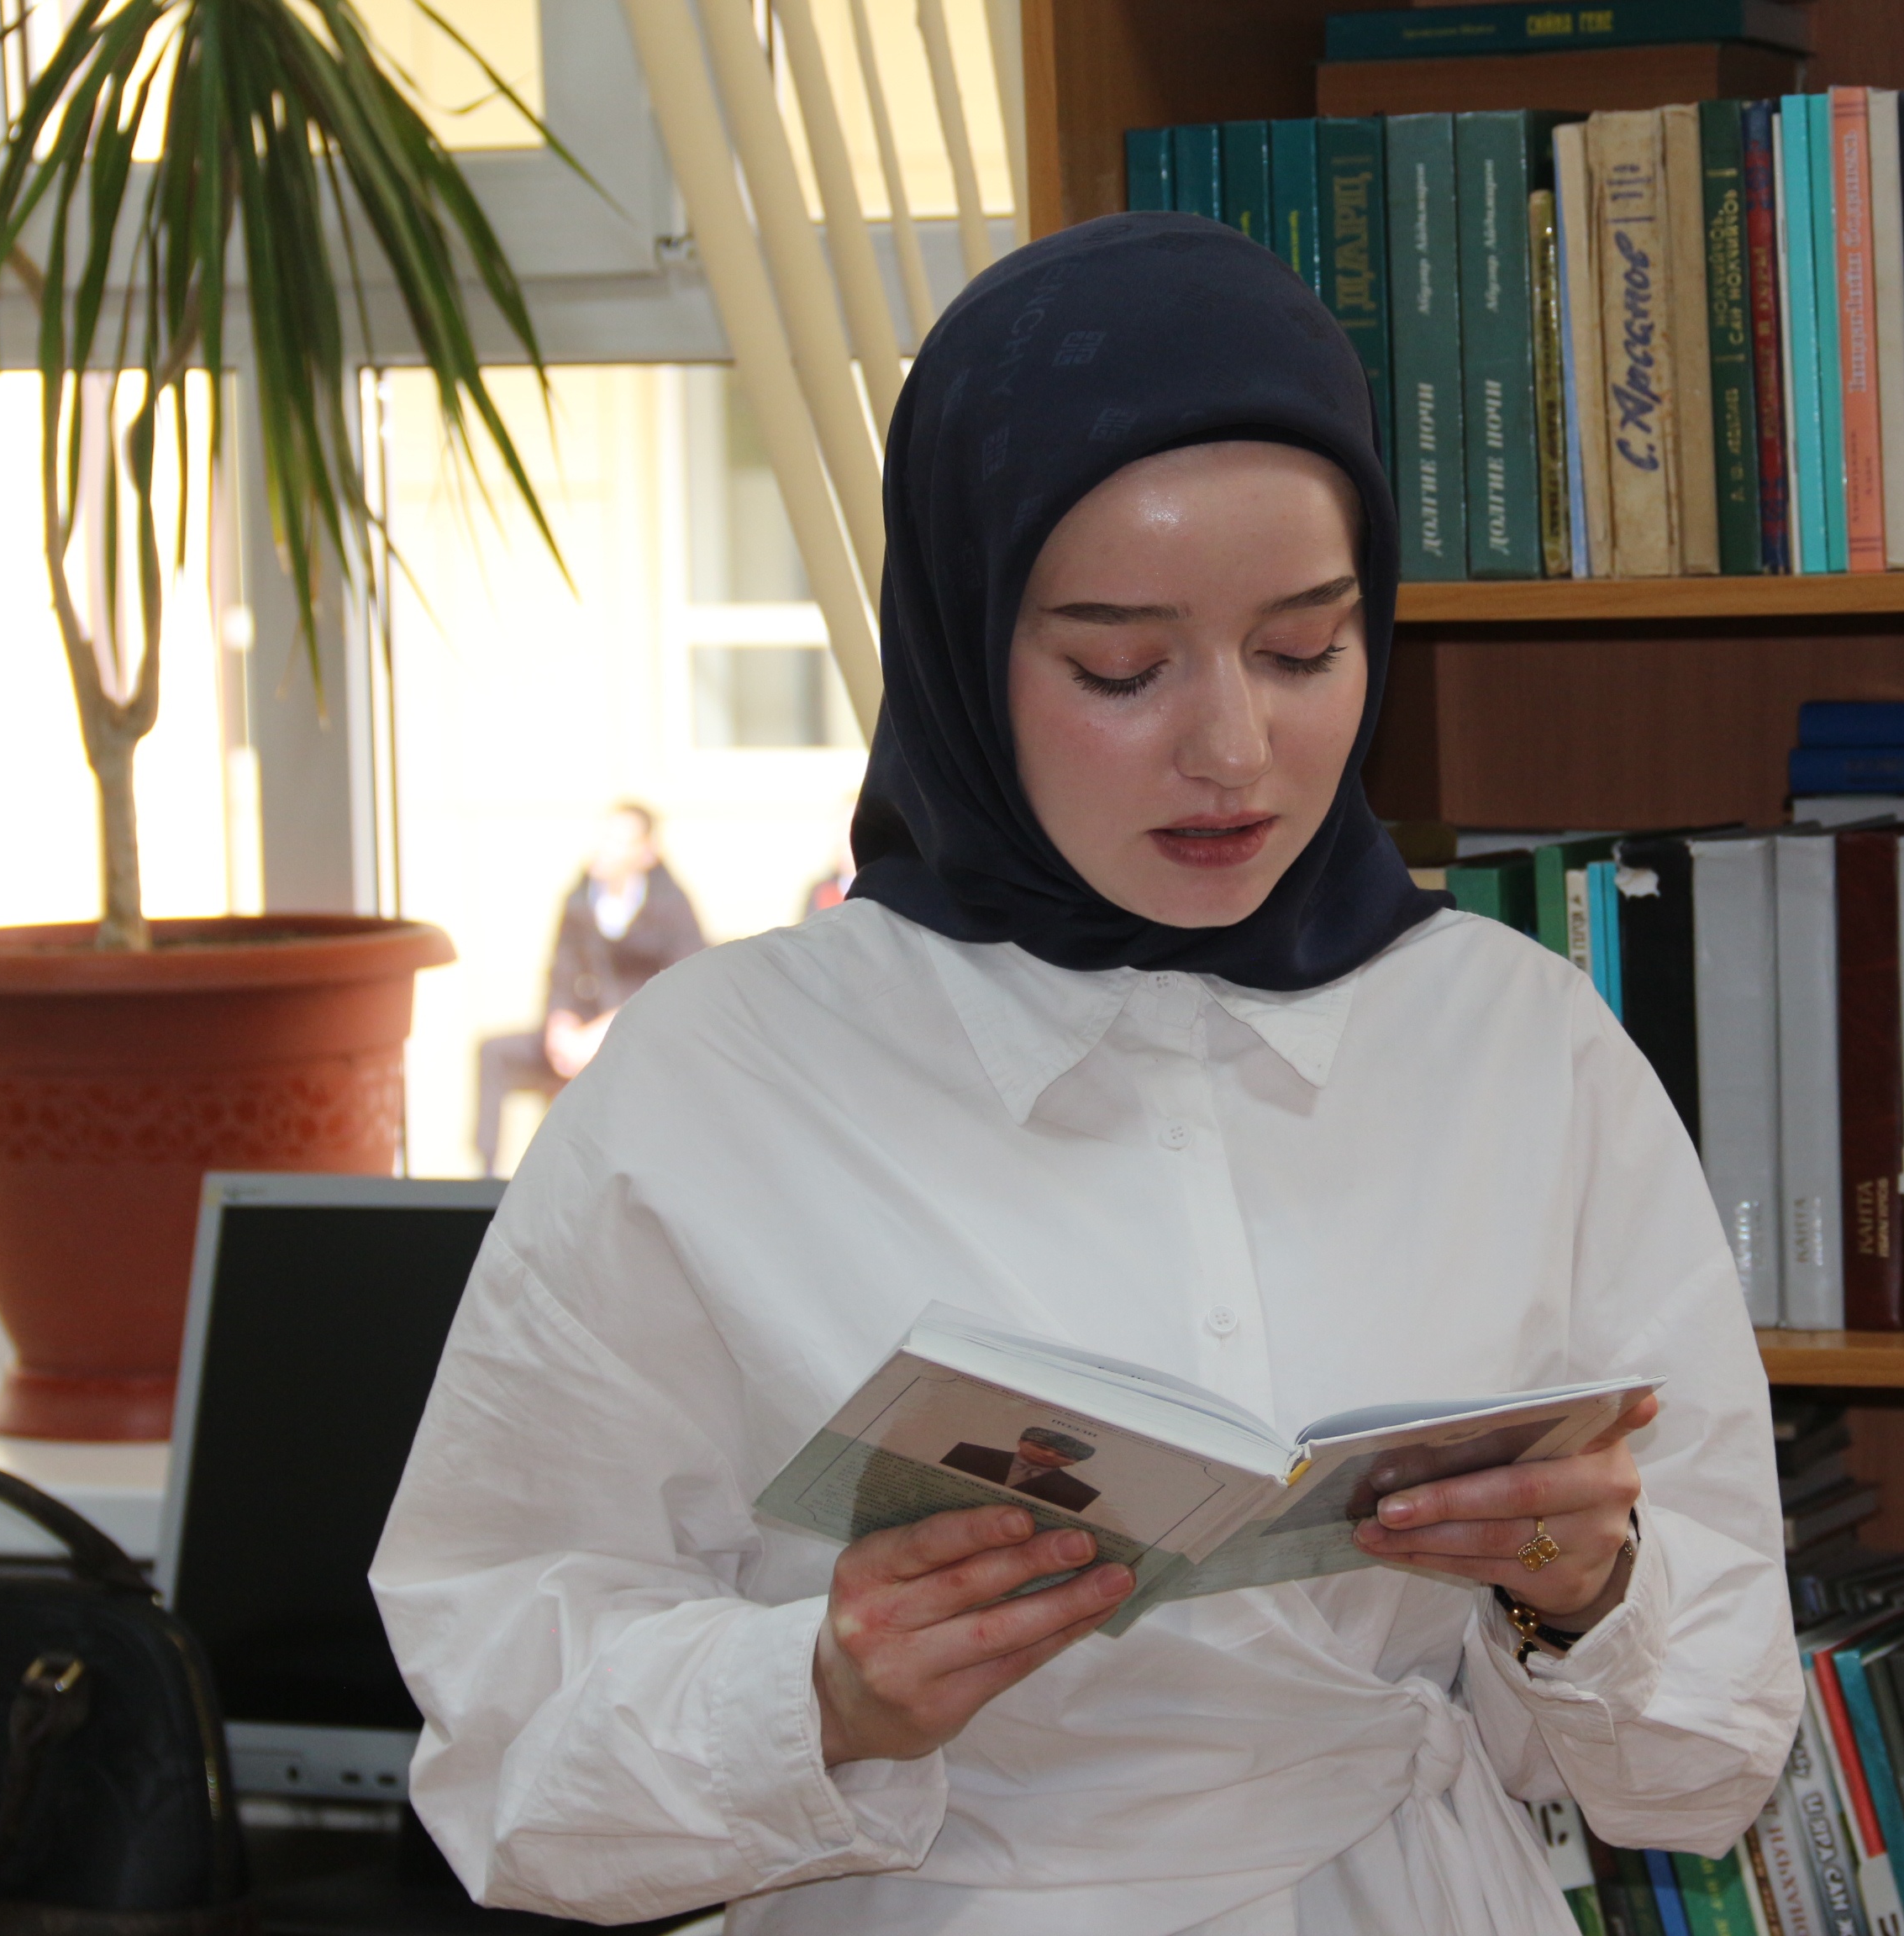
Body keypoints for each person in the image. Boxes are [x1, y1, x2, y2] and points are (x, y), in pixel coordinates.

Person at [373, 213, 1796, 1933]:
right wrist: (822, 1693)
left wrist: (1585, 1586)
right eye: (1121, 667)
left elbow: (1706, 1765)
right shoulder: (716, 1079)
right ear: (964, 646)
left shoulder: (1519, 1043)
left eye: (1305, 649)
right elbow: (502, 1755)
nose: (1233, 748)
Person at [470, 802, 706, 1174]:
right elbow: (559, 972)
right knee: (494, 1053)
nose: (606, 848)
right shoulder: (579, 900)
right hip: (577, 1034)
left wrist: (609, 1030)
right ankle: (485, 1172)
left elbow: (683, 982)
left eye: (620, 840)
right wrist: (559, 1025)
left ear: (646, 852)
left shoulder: (670, 906)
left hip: (637, 1040)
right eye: (605, 837)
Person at [939, 1428, 1101, 1512]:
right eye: (1040, 1447)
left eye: (1063, 1455)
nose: (1049, 1455)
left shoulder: (1082, 1494)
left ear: (1074, 1462)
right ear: (1020, 1442)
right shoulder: (967, 1453)